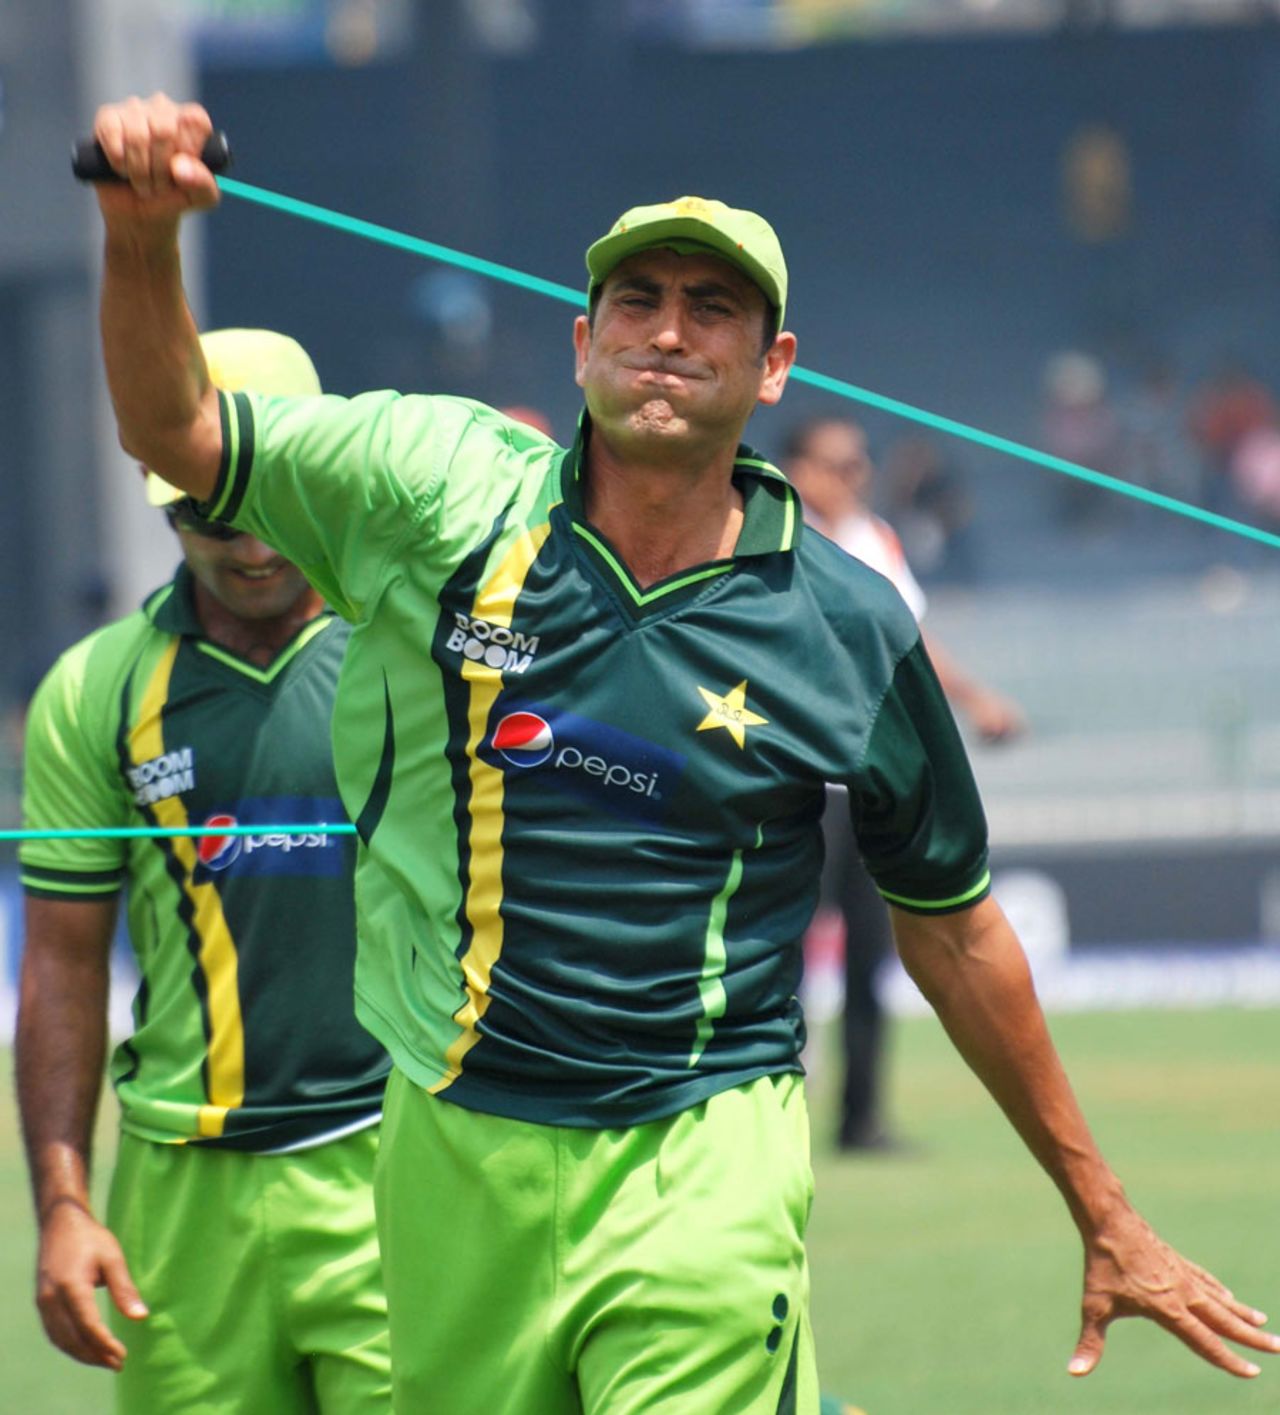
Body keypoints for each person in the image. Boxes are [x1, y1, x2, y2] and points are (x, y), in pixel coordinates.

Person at [86, 94, 1278, 1413]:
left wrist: (1103, 1207)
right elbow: (175, 432)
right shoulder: (435, 488)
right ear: (582, 342)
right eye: (638, 300)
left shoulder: (849, 621)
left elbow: (954, 925)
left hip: (702, 1146)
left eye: (715, 309)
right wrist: (141, 240)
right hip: (452, 1133)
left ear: (774, 368)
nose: (668, 330)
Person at [16, 328, 392, 1413]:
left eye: (271, 501)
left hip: (400, 1165)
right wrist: (63, 1202)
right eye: (204, 510)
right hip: (181, 1195)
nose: (250, 544)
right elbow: (63, 965)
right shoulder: (96, 689)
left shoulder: (414, 652)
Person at [782, 414, 1024, 1152]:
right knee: (775, 946)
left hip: (863, 781)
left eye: (860, 465)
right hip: (789, 775)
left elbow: (909, 639)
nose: (853, 478)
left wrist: (976, 699)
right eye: (838, 464)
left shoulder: (872, 537)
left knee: (868, 952)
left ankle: (860, 1116)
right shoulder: (765, 528)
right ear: (798, 465)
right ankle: (766, 1107)